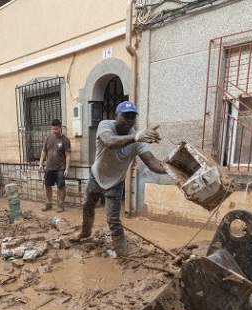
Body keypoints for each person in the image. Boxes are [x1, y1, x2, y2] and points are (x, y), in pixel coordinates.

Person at [72, 101, 167, 256]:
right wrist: (137, 136)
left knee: (113, 220)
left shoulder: (137, 141)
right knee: (87, 206)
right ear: (116, 115)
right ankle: (85, 232)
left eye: (132, 117)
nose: (129, 120)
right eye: (125, 116)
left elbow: (153, 163)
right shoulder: (106, 125)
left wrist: (176, 170)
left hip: (115, 183)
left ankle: (122, 254)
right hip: (96, 176)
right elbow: (109, 142)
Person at [39, 119, 71, 212]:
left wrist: (67, 169)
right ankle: (48, 203)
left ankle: (61, 204)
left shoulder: (65, 140)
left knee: (60, 187)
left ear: (60, 128)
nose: (54, 131)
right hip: (49, 167)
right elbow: (44, 151)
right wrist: (40, 162)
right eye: (53, 129)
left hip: (60, 168)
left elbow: (68, 155)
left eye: (56, 129)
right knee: (48, 185)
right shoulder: (48, 138)